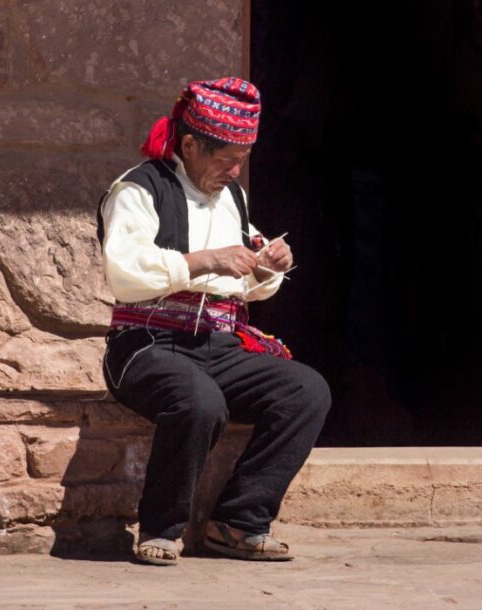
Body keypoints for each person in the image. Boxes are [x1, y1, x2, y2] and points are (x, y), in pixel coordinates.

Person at [98, 76, 331, 565]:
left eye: (242, 158)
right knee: (199, 401)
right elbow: (124, 273)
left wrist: (268, 264)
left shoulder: (232, 198)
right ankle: (160, 528)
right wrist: (204, 260)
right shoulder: (138, 190)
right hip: (147, 345)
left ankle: (239, 522)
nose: (235, 169)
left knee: (306, 391)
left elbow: (241, 276)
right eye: (226, 158)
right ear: (189, 144)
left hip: (218, 345)